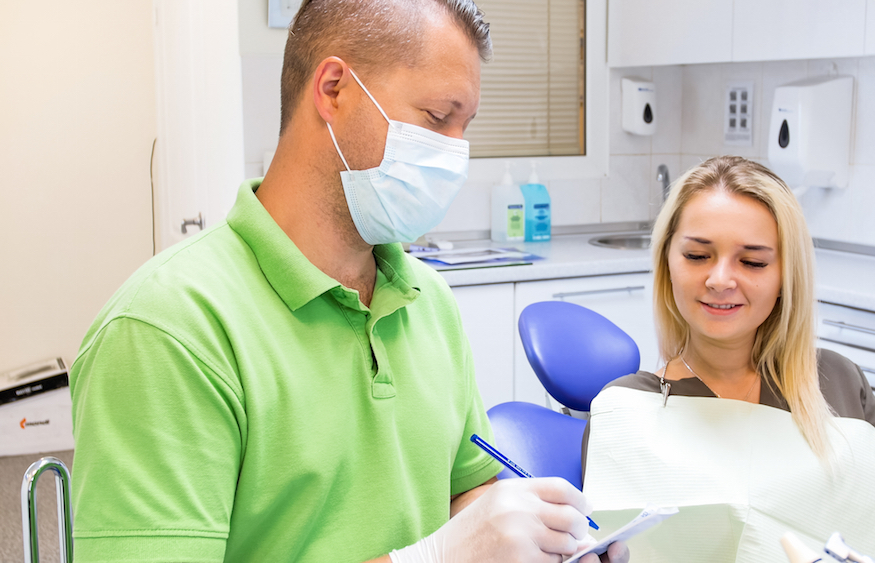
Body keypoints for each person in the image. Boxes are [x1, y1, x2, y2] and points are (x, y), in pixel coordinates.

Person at [68, 1, 628, 562]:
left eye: (465, 126)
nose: (457, 154)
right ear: (334, 88)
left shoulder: (425, 301)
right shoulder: (168, 330)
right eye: (437, 118)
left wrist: (545, 541)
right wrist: (429, 559)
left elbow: (462, 493)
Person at [582, 155, 875, 562]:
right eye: (697, 256)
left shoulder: (836, 382)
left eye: (752, 262)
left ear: (787, 275)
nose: (720, 280)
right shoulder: (626, 409)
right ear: (667, 265)